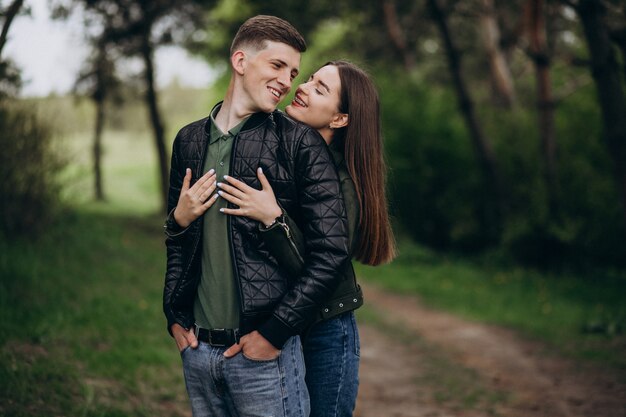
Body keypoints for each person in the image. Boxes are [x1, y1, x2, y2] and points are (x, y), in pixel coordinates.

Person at [162, 16, 350, 417]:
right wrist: (173, 314)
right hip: (198, 352)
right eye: (277, 66)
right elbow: (178, 242)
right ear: (241, 60)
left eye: (295, 72)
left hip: (264, 358)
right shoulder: (188, 141)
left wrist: (274, 334)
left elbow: (331, 254)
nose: (288, 81)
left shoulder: (299, 143)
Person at [217, 60, 397, 416]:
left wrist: (273, 218)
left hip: (326, 329)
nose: (302, 86)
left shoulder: (342, 183)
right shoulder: (282, 155)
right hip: (280, 316)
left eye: (320, 89)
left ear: (340, 119)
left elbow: (323, 263)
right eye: (310, 79)